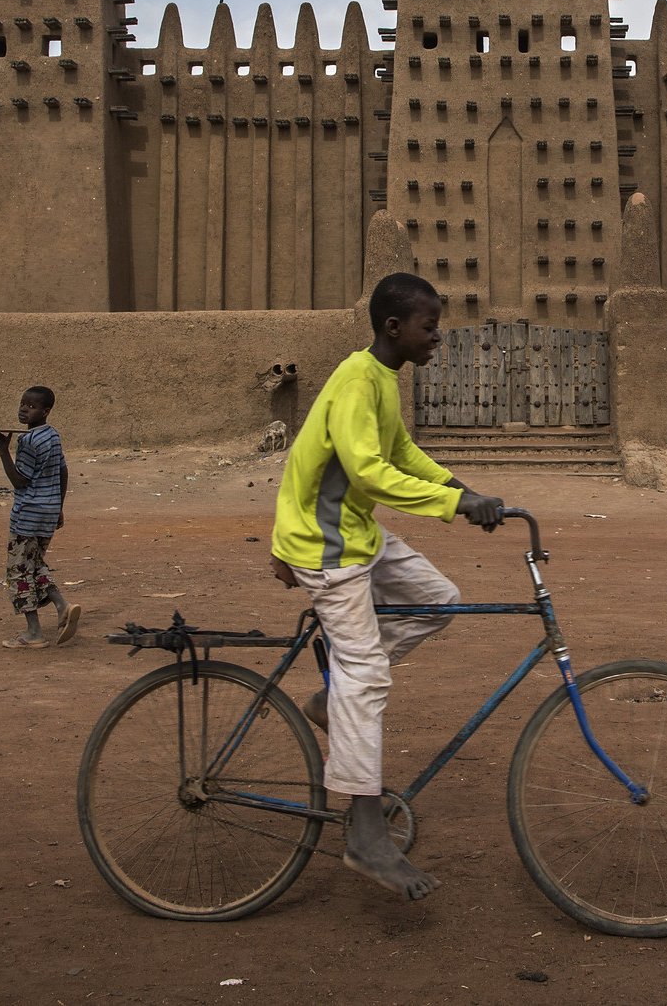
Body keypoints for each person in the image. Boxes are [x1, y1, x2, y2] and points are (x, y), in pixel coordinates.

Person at [269, 272, 505, 901]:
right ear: (394, 328)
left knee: (439, 600)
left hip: (356, 536)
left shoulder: (383, 380)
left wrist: (463, 491)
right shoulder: (354, 381)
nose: (438, 338)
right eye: (430, 327)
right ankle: (364, 835)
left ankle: (332, 700)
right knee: (368, 675)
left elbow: (401, 451)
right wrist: (455, 507)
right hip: (326, 546)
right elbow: (371, 476)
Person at [0, 386, 78, 649]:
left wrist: (2, 450)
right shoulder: (53, 435)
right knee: (34, 563)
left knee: (18, 573)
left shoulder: (28, 441)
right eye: (23, 404)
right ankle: (62, 605)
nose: (24, 409)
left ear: (46, 411)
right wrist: (58, 507)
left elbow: (20, 481)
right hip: (47, 514)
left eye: (32, 406)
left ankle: (34, 632)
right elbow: (63, 472)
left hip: (27, 516)